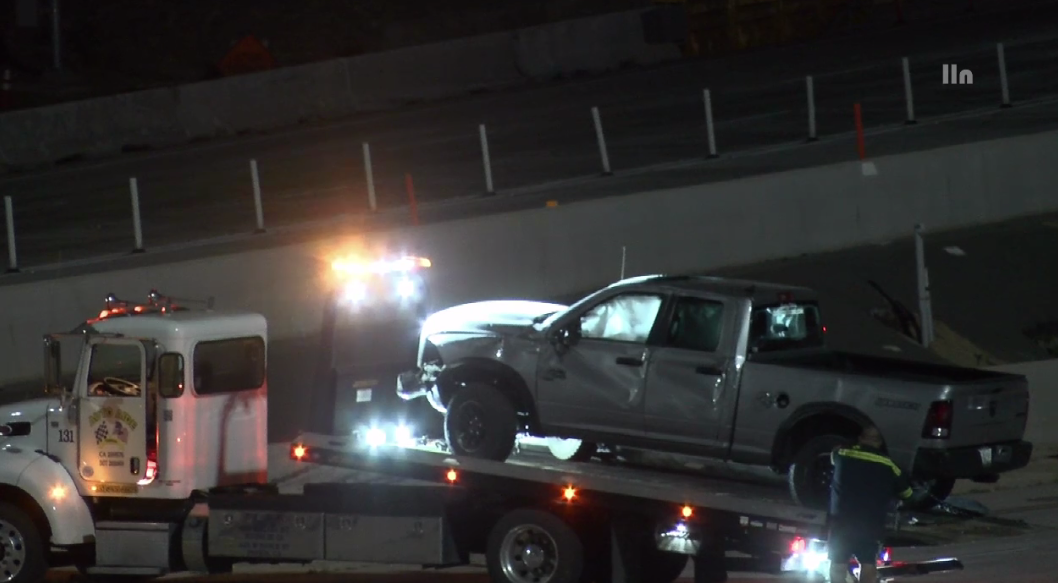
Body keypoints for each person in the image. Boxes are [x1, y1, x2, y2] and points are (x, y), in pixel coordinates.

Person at [827, 425, 914, 583]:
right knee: (867, 564)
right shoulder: (889, 465)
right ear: (880, 443)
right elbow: (907, 494)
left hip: (842, 522)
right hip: (870, 524)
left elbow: (833, 456)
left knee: (838, 564)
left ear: (861, 439)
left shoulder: (843, 454)